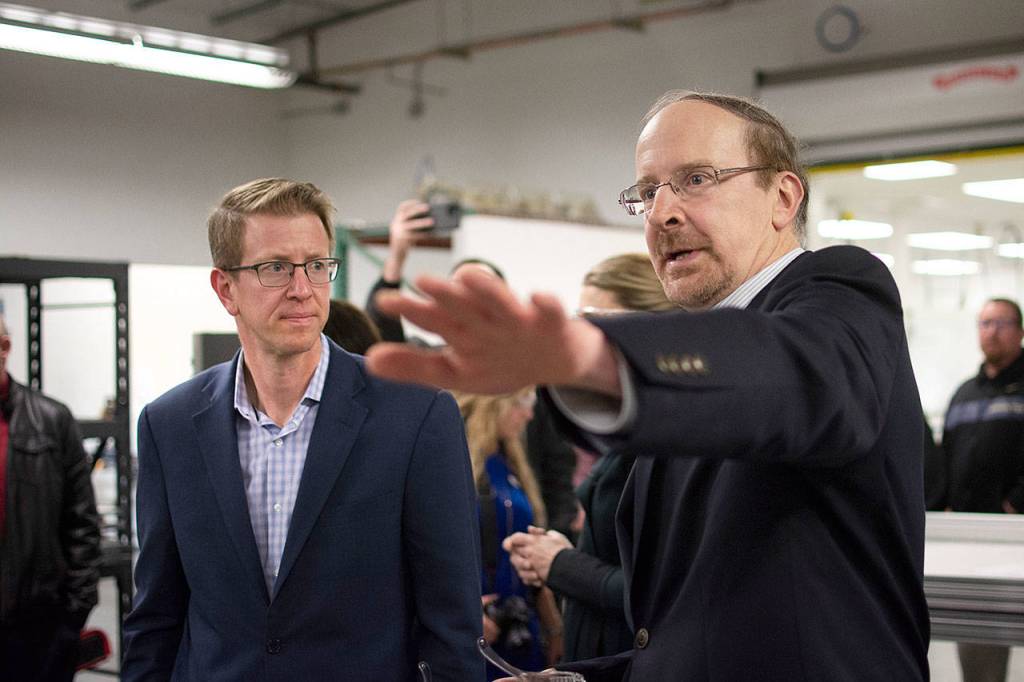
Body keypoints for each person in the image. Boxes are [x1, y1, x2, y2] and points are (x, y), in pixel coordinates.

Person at [365, 90, 930, 681]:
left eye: (696, 179)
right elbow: (686, 629)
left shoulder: (840, 289)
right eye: (647, 192)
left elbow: (789, 372)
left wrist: (594, 352)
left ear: (783, 198)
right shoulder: (689, 378)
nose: (662, 213)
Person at [121, 178, 483, 681]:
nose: (301, 289)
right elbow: (155, 619)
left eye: (316, 266)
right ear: (226, 288)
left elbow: (453, 626)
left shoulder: (415, 415)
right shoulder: (171, 426)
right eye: (275, 268)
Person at [367, 199, 579, 537]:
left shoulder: (530, 381)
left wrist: (552, 555)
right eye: (460, 294)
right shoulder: (432, 371)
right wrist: (396, 259)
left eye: (484, 294)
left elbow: (557, 473)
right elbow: (384, 336)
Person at [503, 253, 675, 664]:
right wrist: (568, 553)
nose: (583, 337)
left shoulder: (672, 439)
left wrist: (561, 564)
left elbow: (661, 593)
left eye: (599, 320)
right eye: (580, 320)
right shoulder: (630, 427)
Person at [0, 313, 101, 682]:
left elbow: (83, 526)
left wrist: (71, 619)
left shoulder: (51, 421)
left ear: (5, 347)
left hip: (36, 630)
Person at [453, 387, 564, 679]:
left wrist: (552, 624)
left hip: (520, 623)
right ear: (498, 405)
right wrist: (461, 607)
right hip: (477, 624)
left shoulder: (509, 461)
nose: (529, 415)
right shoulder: (455, 460)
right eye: (522, 404)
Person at [940, 297, 1024, 682]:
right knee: (980, 658)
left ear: (1020, 330)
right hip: (970, 540)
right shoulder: (963, 394)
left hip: (1016, 534)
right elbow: (947, 459)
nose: (991, 331)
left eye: (1001, 323)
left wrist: (1015, 504)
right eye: (984, 323)